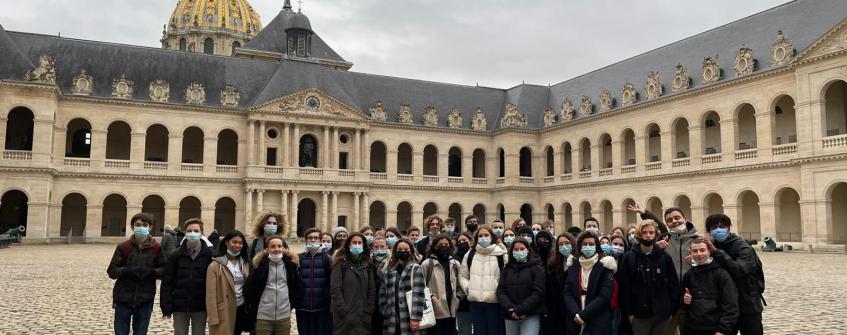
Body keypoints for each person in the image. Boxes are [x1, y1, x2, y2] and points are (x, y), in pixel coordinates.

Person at [629, 204, 700, 334]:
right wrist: (645, 213)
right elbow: (653, 231)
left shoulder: (698, 240)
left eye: (677, 218)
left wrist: (698, 260)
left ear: (685, 218)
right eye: (669, 220)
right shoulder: (664, 238)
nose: (674, 221)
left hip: (690, 296)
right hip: (668, 300)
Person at [704, 214, 765, 335]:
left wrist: (717, 253)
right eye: (714, 228)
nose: (718, 230)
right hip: (724, 307)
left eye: (721, 226)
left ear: (728, 228)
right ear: (709, 231)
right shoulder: (710, 247)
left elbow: (740, 270)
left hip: (747, 304)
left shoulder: (743, 247)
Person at [107, 213, 166, 335]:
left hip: (145, 298)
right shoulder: (124, 247)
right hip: (123, 298)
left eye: (145, 225)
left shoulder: (156, 248)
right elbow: (112, 271)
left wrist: (152, 272)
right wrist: (125, 271)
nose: (141, 228)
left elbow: (164, 270)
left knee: (140, 332)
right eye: (138, 225)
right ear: (132, 227)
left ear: (150, 227)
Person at [618, 220, 680, 335]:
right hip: (639, 315)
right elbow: (624, 287)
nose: (648, 235)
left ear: (656, 235)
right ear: (639, 234)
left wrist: (671, 310)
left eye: (651, 232)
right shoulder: (628, 257)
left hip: (662, 314)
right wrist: (629, 313)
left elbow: (673, 285)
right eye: (644, 232)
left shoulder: (664, 257)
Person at [160, 218, 214, 335]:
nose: (192, 233)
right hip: (179, 305)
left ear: (201, 233)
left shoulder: (210, 255)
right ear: (185, 233)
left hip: (200, 306)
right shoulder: (176, 255)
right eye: (189, 231)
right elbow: (167, 282)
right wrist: (166, 306)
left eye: (196, 230)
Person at [681, 238, 739, 335]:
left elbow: (731, 305)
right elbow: (682, 301)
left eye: (702, 250)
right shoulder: (689, 275)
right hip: (692, 328)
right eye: (695, 251)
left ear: (709, 251)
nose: (699, 254)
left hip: (715, 329)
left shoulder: (721, 274)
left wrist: (722, 330)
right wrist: (685, 300)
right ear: (691, 253)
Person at [246, 235, 301, 335]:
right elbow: (249, 288)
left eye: (279, 246)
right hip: (263, 316)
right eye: (273, 246)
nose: (277, 249)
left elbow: (296, 287)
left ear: (283, 249)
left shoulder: (290, 266)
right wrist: (256, 306)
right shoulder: (259, 266)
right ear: (267, 249)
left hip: (284, 316)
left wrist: (290, 305)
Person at [563, 230, 616, 335]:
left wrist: (584, 315)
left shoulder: (605, 265)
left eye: (591, 244)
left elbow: (604, 295)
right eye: (585, 244)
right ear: (580, 246)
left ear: (596, 246)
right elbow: (567, 292)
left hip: (597, 316)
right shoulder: (573, 265)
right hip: (575, 317)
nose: (588, 246)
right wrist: (576, 313)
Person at [459, 225, 507, 335]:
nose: (483, 237)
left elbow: (506, 277)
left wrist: (499, 292)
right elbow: (462, 276)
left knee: (495, 331)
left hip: (495, 302)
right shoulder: (470, 254)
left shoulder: (501, 254)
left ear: (492, 237)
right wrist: (468, 288)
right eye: (480, 236)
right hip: (476, 303)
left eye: (486, 235)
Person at [206, 230, 253, 335]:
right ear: (227, 242)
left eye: (240, 243)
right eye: (234, 242)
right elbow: (210, 294)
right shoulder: (215, 265)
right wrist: (213, 317)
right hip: (224, 310)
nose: (238, 245)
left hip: (240, 307)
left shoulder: (245, 263)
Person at [497, 237, 546, 335]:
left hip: (530, 315)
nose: (519, 251)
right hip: (510, 314)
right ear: (512, 252)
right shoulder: (507, 269)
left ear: (528, 250)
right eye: (516, 249)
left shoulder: (537, 267)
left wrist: (520, 310)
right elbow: (500, 291)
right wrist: (510, 308)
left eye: (522, 249)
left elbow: (538, 292)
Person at [331, 232, 377, 335]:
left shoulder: (368, 264)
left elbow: (372, 289)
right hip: (344, 316)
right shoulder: (340, 263)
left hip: (363, 315)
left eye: (359, 243)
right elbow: (335, 290)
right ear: (348, 244)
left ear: (363, 245)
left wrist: (369, 309)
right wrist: (344, 311)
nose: (357, 245)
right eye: (354, 242)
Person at [379, 239, 427, 335]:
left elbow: (419, 294)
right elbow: (383, 291)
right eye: (400, 249)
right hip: (392, 315)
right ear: (395, 251)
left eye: (406, 249)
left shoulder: (415, 268)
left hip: (409, 314)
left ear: (410, 251)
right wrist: (384, 310)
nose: (403, 251)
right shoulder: (389, 269)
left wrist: (415, 318)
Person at [421, 234, 462, 335]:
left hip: (452, 308)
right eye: (441, 244)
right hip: (435, 309)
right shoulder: (427, 264)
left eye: (446, 244)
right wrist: (432, 298)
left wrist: (458, 298)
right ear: (435, 246)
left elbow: (460, 285)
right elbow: (421, 286)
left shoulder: (455, 264)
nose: (444, 246)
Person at [297, 228, 333, 335]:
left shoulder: (327, 259)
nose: (313, 240)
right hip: (302, 308)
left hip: (322, 307)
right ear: (306, 240)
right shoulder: (298, 258)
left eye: (316, 238)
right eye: (310, 238)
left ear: (320, 241)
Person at [541, 233, 576, 335]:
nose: (564, 246)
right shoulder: (553, 263)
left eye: (567, 243)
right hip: (556, 308)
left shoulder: (578, 261)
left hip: (572, 308)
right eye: (560, 244)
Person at [454, 232, 474, 335]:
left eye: (464, 240)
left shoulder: (476, 254)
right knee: (464, 329)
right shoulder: (454, 258)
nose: (462, 242)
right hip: (462, 300)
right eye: (460, 241)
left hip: (477, 298)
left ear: (470, 241)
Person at [371, 237, 391, 335]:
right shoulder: (368, 261)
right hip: (371, 301)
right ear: (372, 248)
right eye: (376, 247)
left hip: (387, 300)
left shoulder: (392, 261)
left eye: (382, 246)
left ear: (387, 247)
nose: (379, 249)